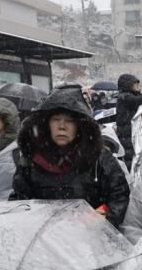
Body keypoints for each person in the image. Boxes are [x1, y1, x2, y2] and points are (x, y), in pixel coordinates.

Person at [9, 85, 131, 229]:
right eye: (56, 119)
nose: (62, 126)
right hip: (43, 240)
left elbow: (119, 196)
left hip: (91, 239)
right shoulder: (31, 160)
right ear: (46, 124)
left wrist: (105, 216)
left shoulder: (100, 158)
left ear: (80, 126)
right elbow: (19, 202)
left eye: (69, 121)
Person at [115, 74, 142, 169]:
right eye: (135, 84)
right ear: (128, 85)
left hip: (131, 133)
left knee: (134, 157)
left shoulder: (128, 97)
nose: (138, 87)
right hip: (127, 134)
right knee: (130, 158)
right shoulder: (125, 97)